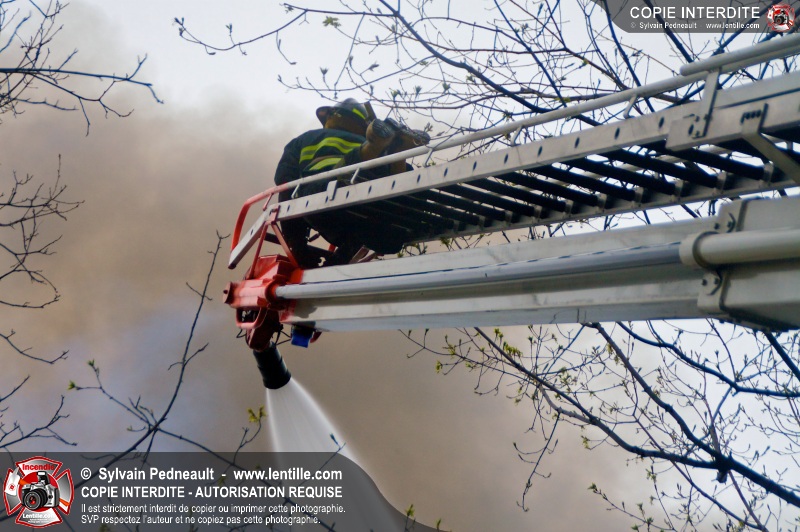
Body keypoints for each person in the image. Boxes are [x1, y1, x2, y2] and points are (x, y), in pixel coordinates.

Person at [273, 98, 427, 268]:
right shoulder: (365, 141)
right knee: (380, 232)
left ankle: (367, 152)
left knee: (297, 197)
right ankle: (398, 154)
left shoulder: (306, 138)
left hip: (323, 196)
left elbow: (285, 180)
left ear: (332, 116)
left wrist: (297, 246)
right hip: (374, 209)